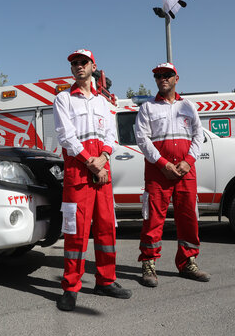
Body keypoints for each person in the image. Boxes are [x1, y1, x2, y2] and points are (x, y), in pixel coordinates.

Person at [53, 48, 132, 311]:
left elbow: (110, 135)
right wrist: (92, 162)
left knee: (106, 229)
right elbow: (67, 137)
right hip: (79, 175)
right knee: (75, 234)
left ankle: (106, 281)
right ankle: (71, 287)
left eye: (83, 62)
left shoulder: (102, 102)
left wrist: (104, 159)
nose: (78, 66)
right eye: (74, 63)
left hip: (101, 173)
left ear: (92, 66)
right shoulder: (63, 99)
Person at [134, 62, 210, 287]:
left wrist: (189, 161)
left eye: (167, 75)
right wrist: (162, 163)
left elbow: (198, 136)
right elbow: (142, 138)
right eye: (158, 76)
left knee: (188, 218)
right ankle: (148, 263)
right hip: (159, 173)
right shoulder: (147, 108)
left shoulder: (188, 106)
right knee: (153, 219)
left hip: (186, 171)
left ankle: (187, 263)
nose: (162, 78)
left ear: (176, 78)